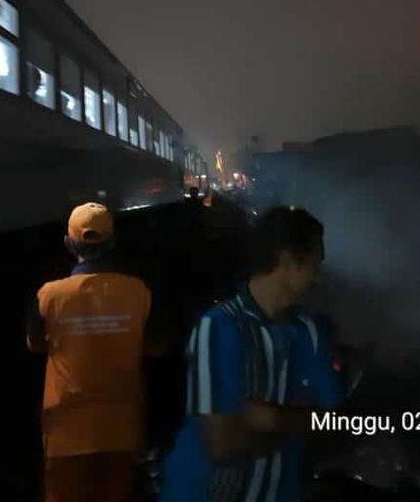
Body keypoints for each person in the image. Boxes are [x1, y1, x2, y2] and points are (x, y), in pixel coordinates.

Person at [159, 206, 344, 502]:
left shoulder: (310, 330)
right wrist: (296, 420)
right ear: (286, 261)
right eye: (313, 264)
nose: (318, 277)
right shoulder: (218, 327)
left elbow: (333, 421)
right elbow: (221, 445)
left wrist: (268, 417)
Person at [26, 202, 161, 502]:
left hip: (66, 433)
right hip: (122, 430)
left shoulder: (48, 295)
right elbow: (155, 346)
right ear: (112, 242)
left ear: (68, 244)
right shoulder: (139, 292)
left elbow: (34, 344)